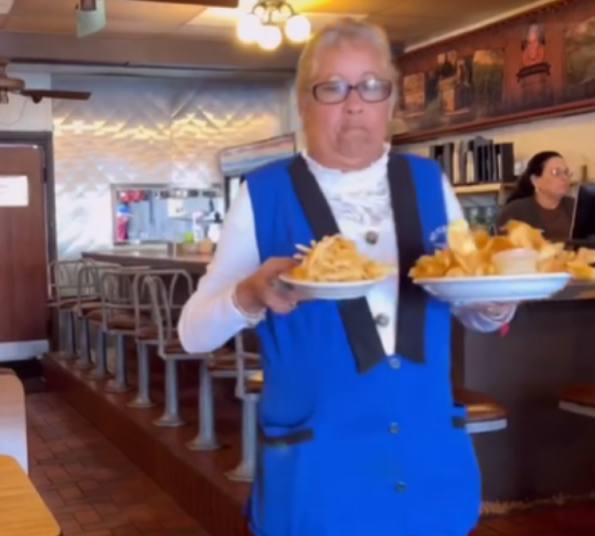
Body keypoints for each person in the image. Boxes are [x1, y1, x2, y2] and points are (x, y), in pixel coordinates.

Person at [178, 19, 515, 536]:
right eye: (332, 87)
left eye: (371, 85)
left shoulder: (430, 182)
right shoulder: (263, 194)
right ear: (304, 102)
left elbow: (466, 293)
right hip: (318, 476)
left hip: (426, 464)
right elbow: (193, 333)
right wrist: (249, 294)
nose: (354, 103)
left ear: (390, 101)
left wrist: (493, 304)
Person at [497, 151, 574, 240]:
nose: (564, 178)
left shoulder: (576, 208)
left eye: (566, 172)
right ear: (535, 180)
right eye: (556, 172)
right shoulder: (513, 212)